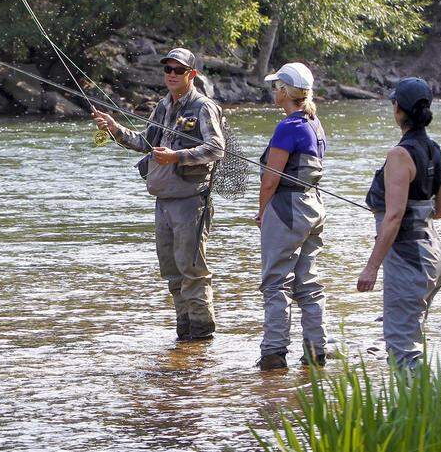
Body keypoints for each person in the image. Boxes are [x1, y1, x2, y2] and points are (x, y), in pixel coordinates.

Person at [92, 48, 226, 341]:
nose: (172, 75)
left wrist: (177, 156)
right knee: (173, 272)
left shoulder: (203, 107)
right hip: (164, 201)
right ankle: (185, 337)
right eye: (168, 70)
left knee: (193, 271)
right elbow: (145, 142)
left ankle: (202, 335)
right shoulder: (163, 106)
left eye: (179, 70)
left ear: (192, 74)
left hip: (192, 201)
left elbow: (216, 148)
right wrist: (115, 129)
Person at [358, 77, 441, 369]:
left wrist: (371, 267)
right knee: (413, 340)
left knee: (401, 348)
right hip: (432, 257)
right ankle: (425, 408)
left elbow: (395, 216)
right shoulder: (434, 149)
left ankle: (417, 412)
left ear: (398, 108)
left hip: (408, 261)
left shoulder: (400, 155)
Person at [255, 62, 328, 370]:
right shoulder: (314, 123)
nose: (274, 92)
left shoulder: (287, 127)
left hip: (287, 210)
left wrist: (261, 212)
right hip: (314, 208)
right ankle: (316, 351)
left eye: (276, 87)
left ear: (285, 91)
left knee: (275, 284)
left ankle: (273, 354)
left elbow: (271, 179)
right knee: (308, 283)